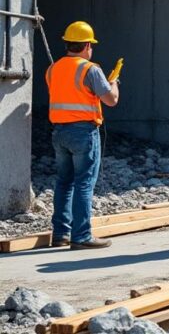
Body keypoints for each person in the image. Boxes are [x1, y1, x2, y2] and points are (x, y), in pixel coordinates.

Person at [47, 21, 120, 249]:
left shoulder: (53, 68)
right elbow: (111, 100)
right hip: (83, 132)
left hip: (59, 132)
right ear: (87, 45)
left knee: (64, 182)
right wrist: (114, 83)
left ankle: (61, 234)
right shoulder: (90, 69)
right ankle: (82, 235)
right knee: (84, 183)